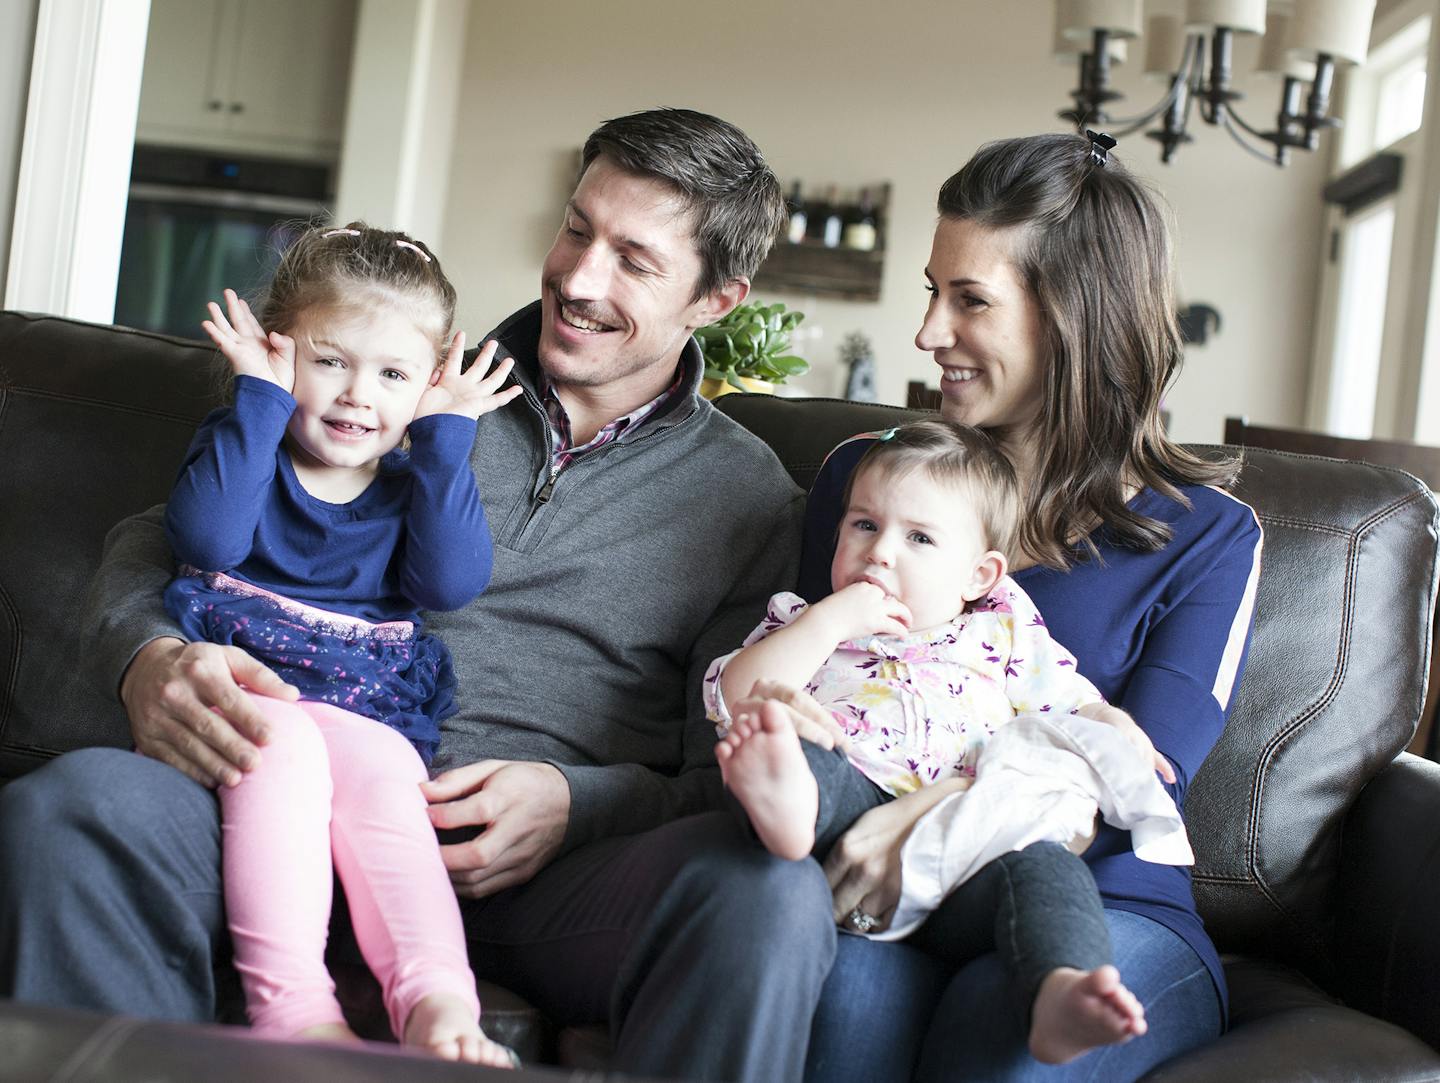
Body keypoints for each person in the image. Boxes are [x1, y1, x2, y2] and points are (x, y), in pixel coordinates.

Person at [0, 108, 832, 1083]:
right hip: (272, 786)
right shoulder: (385, 374)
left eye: (634, 261)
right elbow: (158, 542)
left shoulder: (749, 501)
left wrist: (581, 803)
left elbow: (723, 761)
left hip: (535, 878)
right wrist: (147, 658)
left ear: (718, 298)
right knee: (72, 808)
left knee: (766, 895)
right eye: (577, 228)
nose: (579, 276)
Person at [795, 132, 1263, 1082]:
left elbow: (1132, 777)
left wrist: (935, 803)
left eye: (970, 300)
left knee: (1001, 1036)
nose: (927, 332)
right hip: (893, 897)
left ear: (1073, 320)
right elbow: (814, 694)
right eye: (934, 290)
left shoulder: (1211, 537)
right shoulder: (869, 484)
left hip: (1107, 908)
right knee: (837, 1005)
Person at [709, 419, 1194, 1064]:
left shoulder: (1003, 634)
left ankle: (1060, 989)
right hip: (844, 818)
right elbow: (736, 694)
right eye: (863, 525)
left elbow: (1072, 707)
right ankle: (788, 810)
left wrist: (1114, 724)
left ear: (978, 576)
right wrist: (829, 620)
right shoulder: (806, 623)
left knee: (1044, 867)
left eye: (919, 538)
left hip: (967, 852)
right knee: (789, 739)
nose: (881, 552)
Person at [163, 223, 523, 1064]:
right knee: (278, 742)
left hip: (366, 697)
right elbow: (207, 540)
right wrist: (259, 395)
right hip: (257, 682)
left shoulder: (413, 479)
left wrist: (445, 437)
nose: (359, 396)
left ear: (427, 383)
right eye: (330, 362)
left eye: (393, 374)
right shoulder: (244, 442)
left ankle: (438, 1003)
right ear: (284, 348)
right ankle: (293, 1012)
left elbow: (450, 584)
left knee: (392, 796)